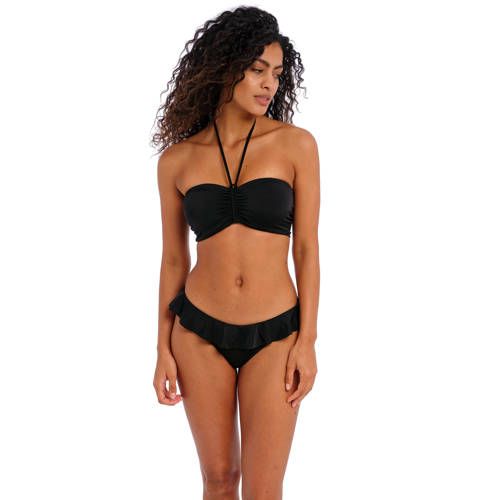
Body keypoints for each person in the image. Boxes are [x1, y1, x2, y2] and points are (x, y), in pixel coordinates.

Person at [151, 6, 320, 499]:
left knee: (264, 489)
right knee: (219, 480)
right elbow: (173, 260)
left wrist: (307, 340)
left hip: (276, 332)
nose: (269, 84)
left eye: (277, 74)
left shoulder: (296, 146)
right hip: (197, 332)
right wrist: (161, 348)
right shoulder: (177, 160)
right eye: (257, 70)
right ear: (225, 68)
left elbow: (307, 249)